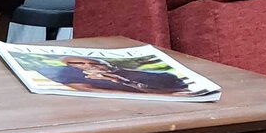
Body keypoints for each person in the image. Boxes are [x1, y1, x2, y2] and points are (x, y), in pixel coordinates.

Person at [37, 55, 200, 95]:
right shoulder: (73, 76)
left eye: (93, 62)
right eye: (78, 64)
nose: (88, 65)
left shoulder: (160, 74)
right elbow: (88, 90)